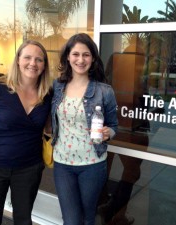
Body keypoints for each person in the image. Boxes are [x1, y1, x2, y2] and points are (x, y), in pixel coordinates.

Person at [0, 40, 53, 225]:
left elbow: (48, 129)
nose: (33, 63)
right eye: (28, 58)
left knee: (23, 220)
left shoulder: (48, 94)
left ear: (44, 65)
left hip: (29, 168)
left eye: (39, 59)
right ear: (18, 61)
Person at [51, 33, 118, 225]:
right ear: (68, 57)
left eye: (86, 55)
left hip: (93, 164)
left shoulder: (104, 91)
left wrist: (108, 133)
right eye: (76, 54)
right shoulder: (57, 86)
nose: (81, 60)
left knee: (88, 218)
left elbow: (114, 126)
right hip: (62, 163)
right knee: (71, 220)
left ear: (93, 58)